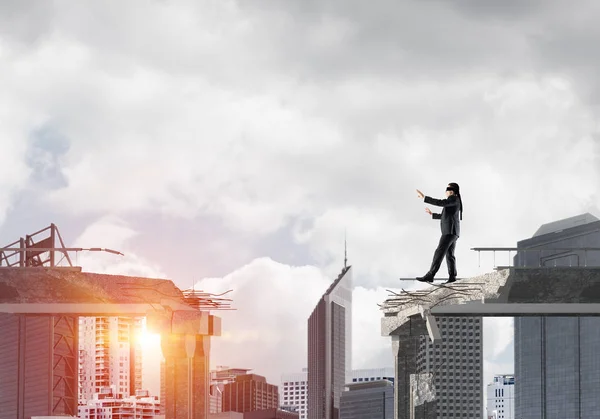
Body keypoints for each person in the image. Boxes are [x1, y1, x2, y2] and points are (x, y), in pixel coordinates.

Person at [415, 183, 463, 284]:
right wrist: (432, 214)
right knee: (449, 255)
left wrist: (424, 197)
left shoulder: (453, 199)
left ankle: (431, 274)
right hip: (453, 232)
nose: (445, 191)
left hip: (449, 231)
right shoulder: (455, 200)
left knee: (439, 252)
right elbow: (445, 216)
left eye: (448, 189)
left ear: (452, 191)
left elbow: (440, 202)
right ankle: (452, 276)